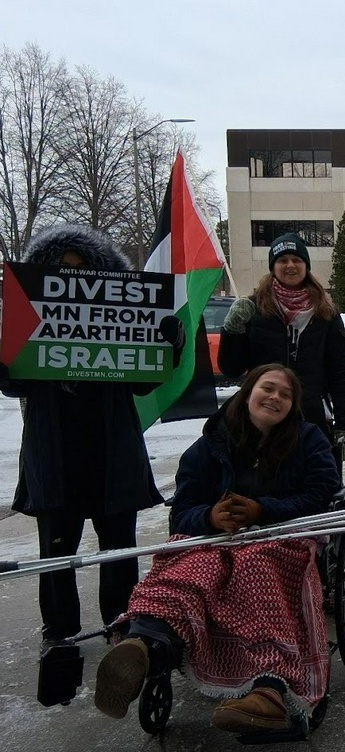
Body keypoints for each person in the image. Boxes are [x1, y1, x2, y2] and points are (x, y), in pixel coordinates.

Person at [93, 364, 341, 732]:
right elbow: (183, 511)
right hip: (216, 538)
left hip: (279, 538)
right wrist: (210, 516)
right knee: (186, 570)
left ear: (293, 405)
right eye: (268, 388)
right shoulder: (210, 444)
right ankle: (145, 645)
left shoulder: (309, 440)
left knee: (255, 569)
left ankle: (269, 687)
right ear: (248, 391)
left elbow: (321, 496)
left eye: (285, 395)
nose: (275, 397)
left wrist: (262, 510)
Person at [0, 225, 176, 648]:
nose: (73, 277)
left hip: (112, 454)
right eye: (63, 269)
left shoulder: (122, 321)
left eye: (82, 269)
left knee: (118, 549)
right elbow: (12, 383)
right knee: (56, 551)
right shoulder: (28, 321)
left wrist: (168, 347)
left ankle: (121, 623)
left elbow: (143, 383)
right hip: (55, 455)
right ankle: (59, 630)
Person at [218, 232, 345, 474]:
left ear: (306, 266)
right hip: (262, 421)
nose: (290, 265)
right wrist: (232, 331)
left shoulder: (326, 313)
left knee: (315, 485)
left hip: (311, 419)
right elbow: (231, 368)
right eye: (282, 260)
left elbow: (340, 374)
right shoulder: (253, 309)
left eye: (296, 259)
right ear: (273, 266)